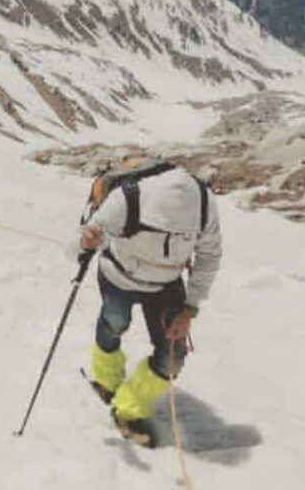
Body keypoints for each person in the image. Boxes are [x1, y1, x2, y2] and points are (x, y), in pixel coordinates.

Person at [79, 159, 221, 446]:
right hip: (118, 274)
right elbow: (78, 243)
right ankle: (109, 382)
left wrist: (189, 309)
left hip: (165, 286)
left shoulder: (204, 205)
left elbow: (208, 257)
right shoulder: (126, 198)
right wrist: (85, 243)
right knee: (114, 324)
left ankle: (128, 406)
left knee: (172, 358)